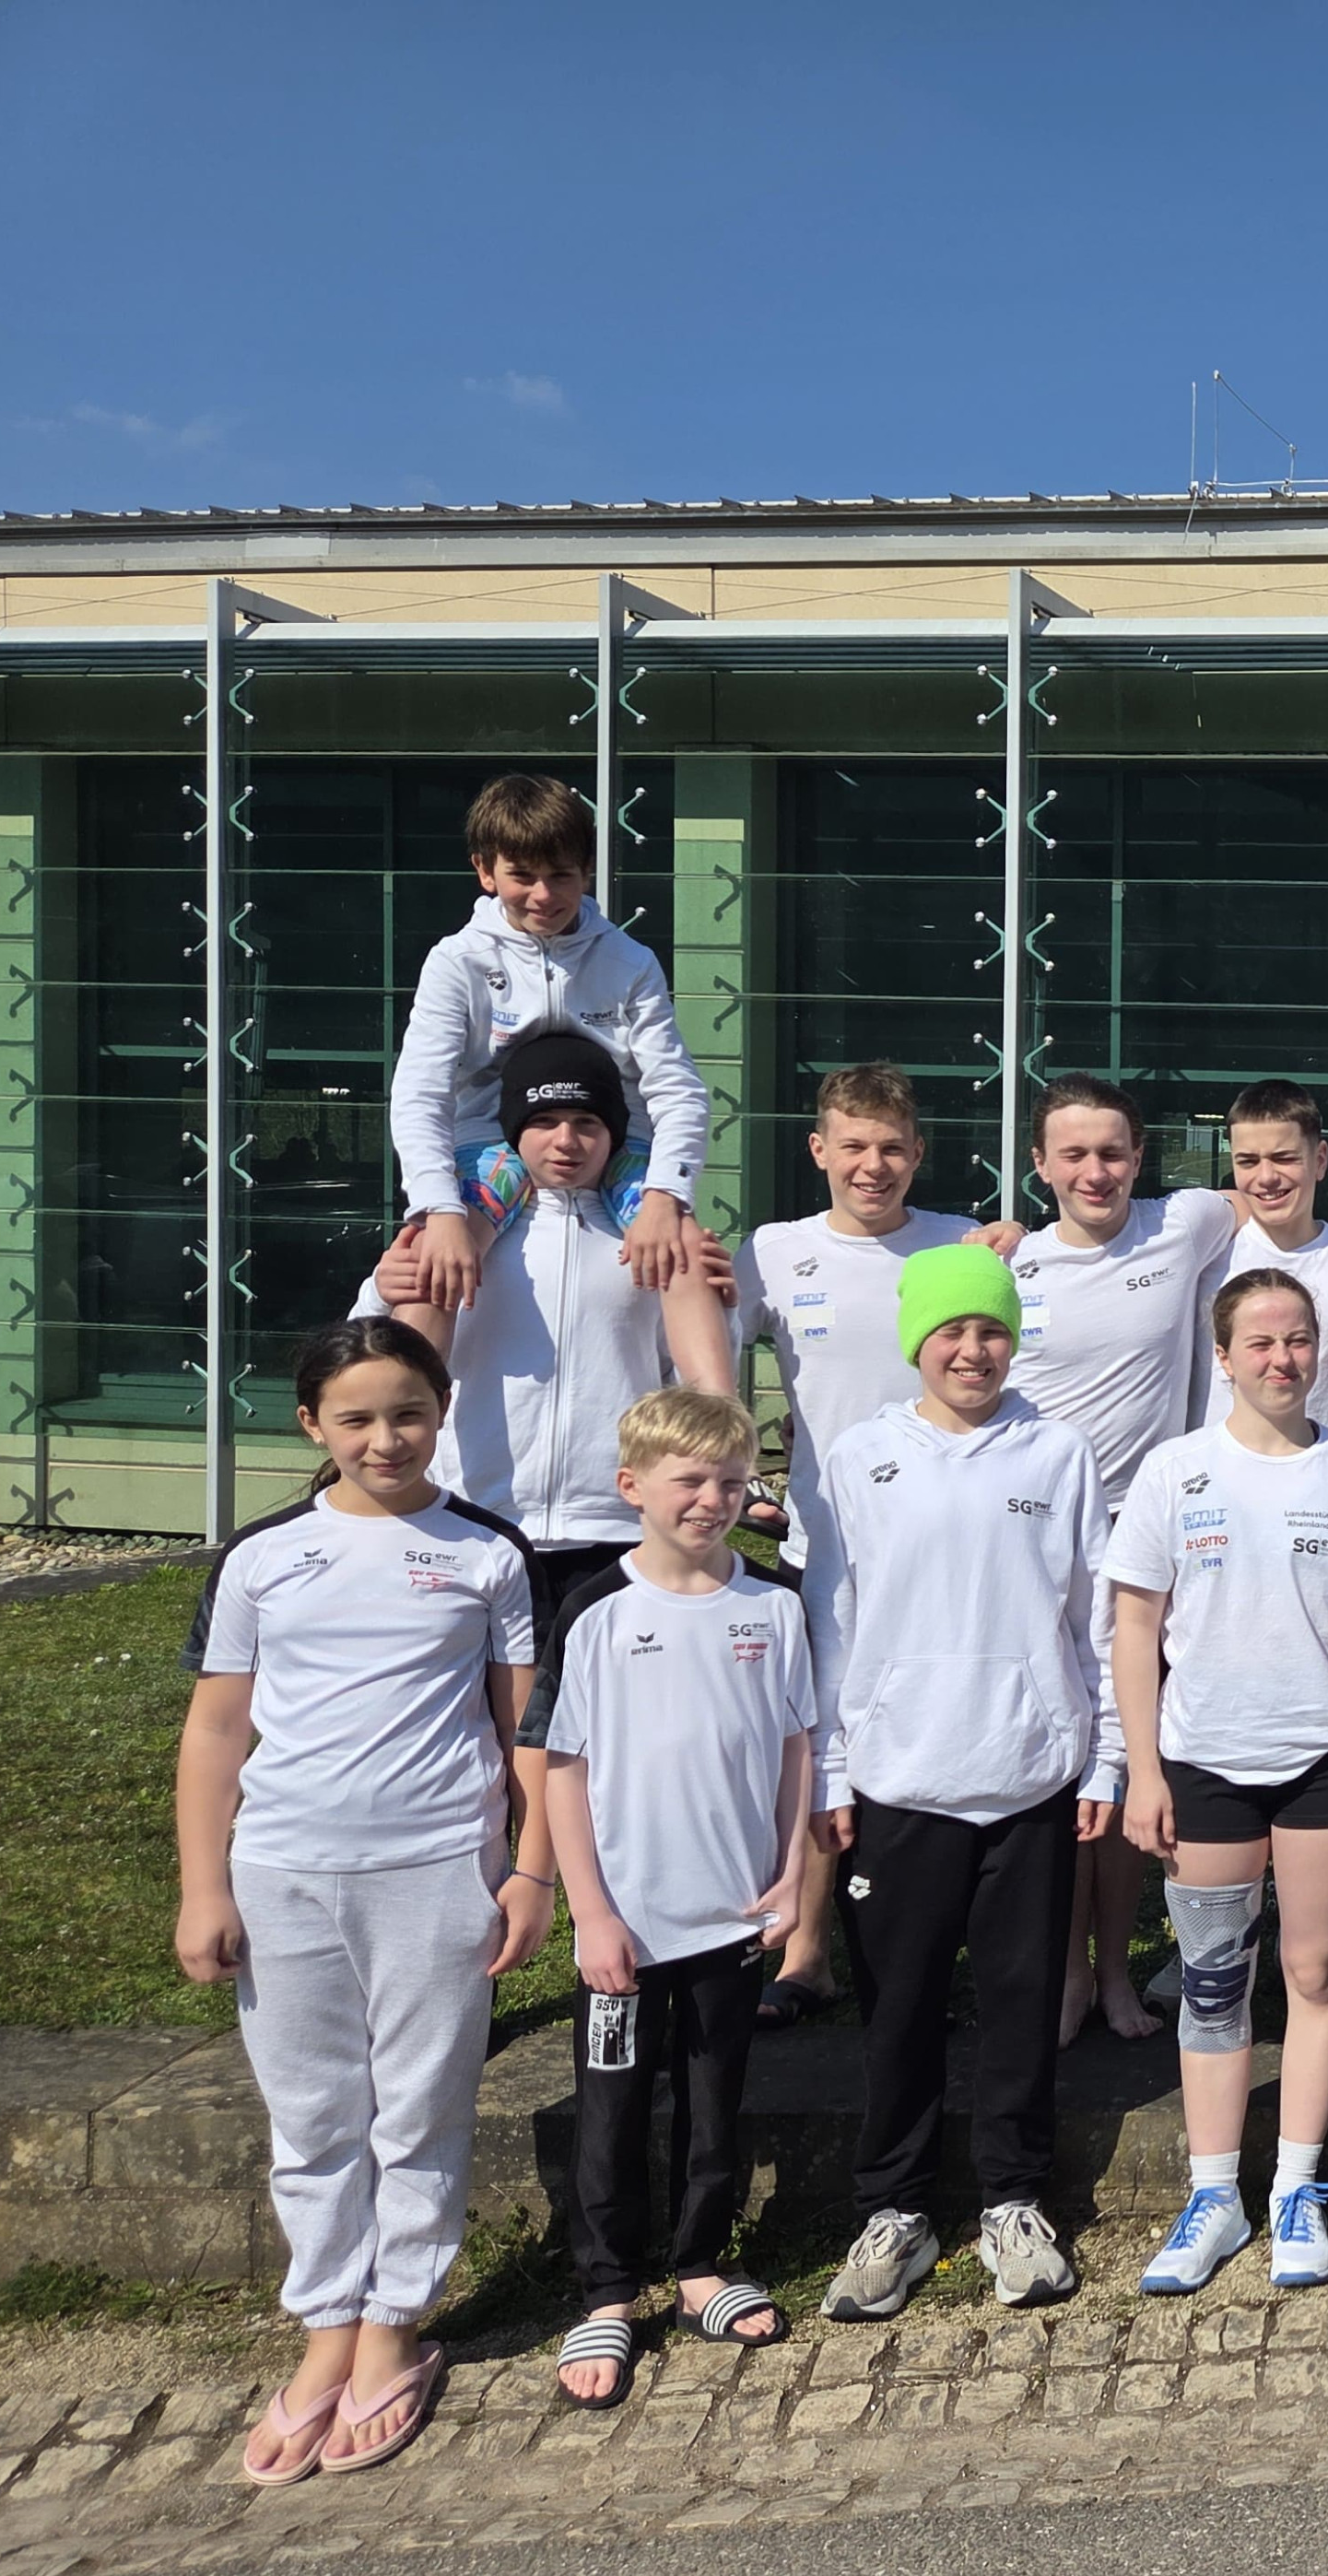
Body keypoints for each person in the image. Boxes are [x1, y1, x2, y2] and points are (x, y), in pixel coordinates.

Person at [173, 1318, 549, 2483]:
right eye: (357, 1418)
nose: (386, 1439)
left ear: (442, 1413)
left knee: (421, 2106)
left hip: (438, 1871)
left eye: (408, 1414)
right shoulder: (261, 1556)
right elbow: (216, 1730)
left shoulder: (488, 1552)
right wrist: (202, 1886)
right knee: (313, 2114)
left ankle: (394, 2325)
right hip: (283, 1872)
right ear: (312, 1426)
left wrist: (531, 1870)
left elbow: (528, 1731)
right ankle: (327, 2325)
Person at [804, 1244, 1116, 2322]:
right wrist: (834, 1768)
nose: (973, 1350)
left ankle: (1013, 2202)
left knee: (1023, 2006)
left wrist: (1106, 1754)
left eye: (991, 1330)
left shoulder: (1057, 1454)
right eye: (952, 1331)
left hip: (1029, 1777)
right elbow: (833, 1619)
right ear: (916, 1343)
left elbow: (1094, 1619)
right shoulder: (860, 1458)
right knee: (901, 2008)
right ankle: (893, 2209)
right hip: (900, 1779)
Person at [1108, 1269, 1328, 2297]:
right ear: (1224, 1357)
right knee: (1212, 1981)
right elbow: (1135, 1628)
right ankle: (1214, 2193)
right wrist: (1143, 1770)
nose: (1284, 1359)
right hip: (1202, 1763)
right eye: (1262, 1343)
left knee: (1315, 1972)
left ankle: (1296, 2187)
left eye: (1299, 1339)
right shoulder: (1176, 1471)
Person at [528, 1388, 811, 2405]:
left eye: (732, 1481)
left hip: (731, 1917)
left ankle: (699, 2265)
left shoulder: (774, 1606)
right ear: (632, 1486)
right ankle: (607, 2290)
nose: (712, 1499)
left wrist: (792, 1872)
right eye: (689, 1480)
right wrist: (592, 1914)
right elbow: (561, 1769)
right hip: (628, 1928)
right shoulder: (596, 1611)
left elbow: (796, 1748)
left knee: (713, 2098)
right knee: (612, 2108)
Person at [721, 1063, 990, 2035]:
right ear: (818, 1150)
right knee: (813, 1744)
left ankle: (939, 1939)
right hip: (824, 1542)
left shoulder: (962, 1242)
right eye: (853, 1147)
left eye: (891, 1148)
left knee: (936, 1735)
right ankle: (805, 1951)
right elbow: (701, 1352)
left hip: (948, 1549)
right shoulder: (772, 1251)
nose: (872, 1166)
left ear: (918, 1153)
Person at [1005, 1075, 1242, 2053]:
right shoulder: (1010, 1265)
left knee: (1133, 1750)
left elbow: (1261, 1200)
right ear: (1039, 1165)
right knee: (1061, 1761)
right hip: (1034, 1541)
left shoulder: (1183, 1225)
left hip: (1148, 1544)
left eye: (1112, 1152)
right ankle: (1066, 1969)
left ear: (1141, 1159)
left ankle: (1113, 1971)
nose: (1095, 1171)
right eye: (1073, 1154)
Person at [373, 1032, 735, 1619]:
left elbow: (683, 1375)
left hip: (618, 1526)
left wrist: (726, 1310)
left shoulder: (652, 1239)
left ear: (614, 1132)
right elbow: (368, 1349)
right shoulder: (460, 1231)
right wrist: (378, 1290)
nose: (566, 1141)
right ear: (514, 1130)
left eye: (586, 1122)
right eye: (544, 1121)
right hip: (473, 1519)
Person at [390, 772, 709, 1318]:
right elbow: (421, 1094)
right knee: (432, 1267)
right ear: (485, 871)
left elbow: (678, 1090)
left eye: (561, 875)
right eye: (522, 875)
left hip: (617, 1144)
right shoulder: (456, 962)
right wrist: (438, 1207)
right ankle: (417, 1379)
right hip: (490, 1144)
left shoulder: (630, 962)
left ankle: (711, 1381)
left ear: (587, 871)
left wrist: (665, 1193)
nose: (543, 895)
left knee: (688, 1259)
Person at [1196, 1079, 1328, 1443]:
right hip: (1210, 1472)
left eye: (1284, 1158)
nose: (1266, 1177)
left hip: (1318, 1469)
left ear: (1320, 1160)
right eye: (1248, 1161)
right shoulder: (1203, 1252)